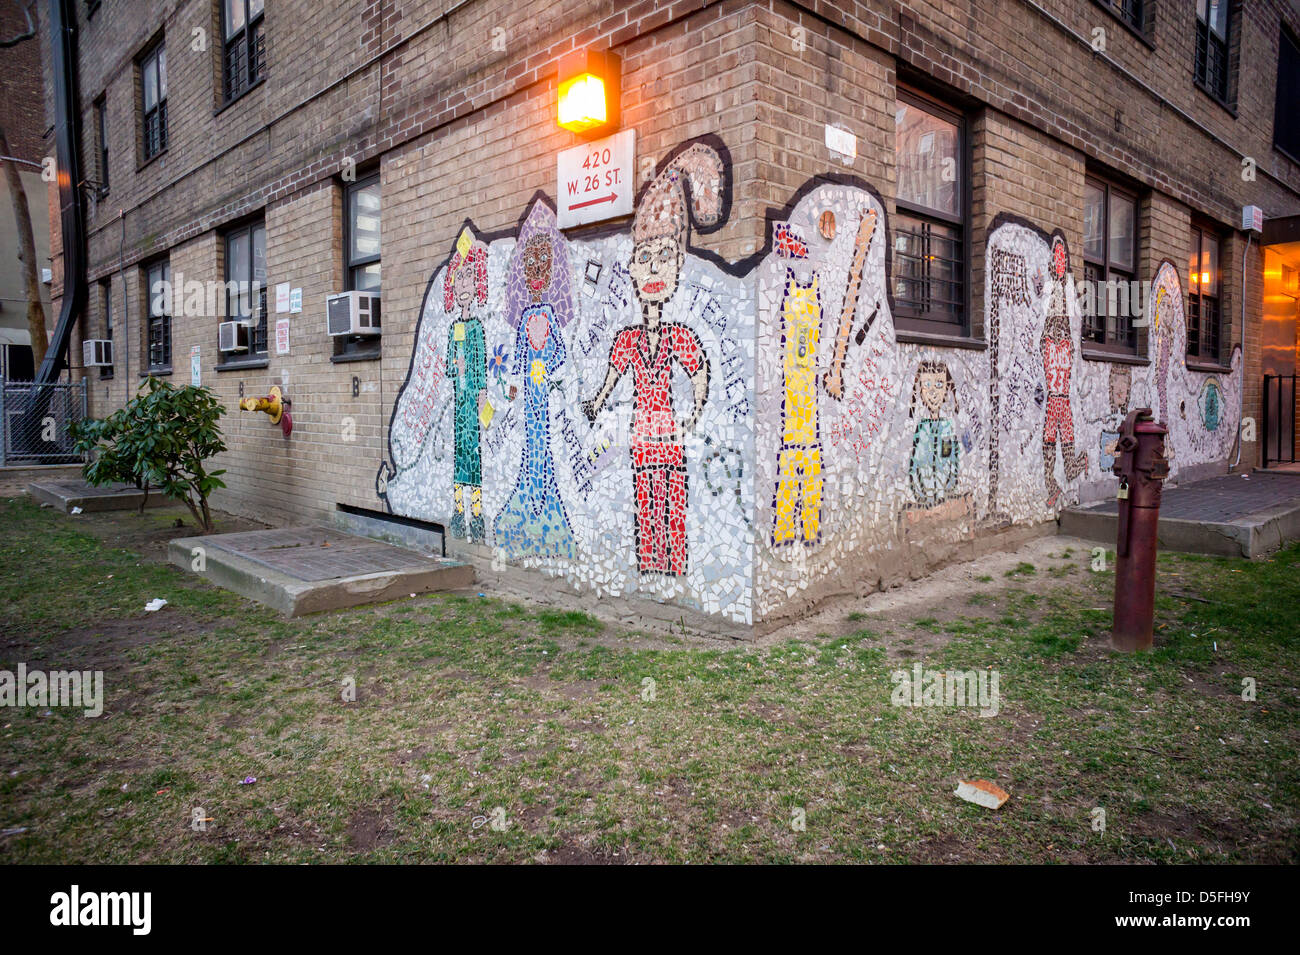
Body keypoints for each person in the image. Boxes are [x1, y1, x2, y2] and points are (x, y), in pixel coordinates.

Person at [582, 143, 722, 576]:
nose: (655, 269)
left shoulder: (680, 336)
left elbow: (700, 375)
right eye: (645, 259)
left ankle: (673, 563)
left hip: (670, 433)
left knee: (672, 500)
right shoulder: (626, 340)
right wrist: (595, 403)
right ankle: (652, 563)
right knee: (647, 497)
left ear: (679, 266)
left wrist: (694, 416)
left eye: (664, 257)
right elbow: (608, 382)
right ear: (633, 269)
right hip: (642, 434)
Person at [494, 207, 576, 559]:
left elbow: (560, 353)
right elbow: (517, 356)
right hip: (529, 394)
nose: (536, 270)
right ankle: (530, 500)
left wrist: (550, 373)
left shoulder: (549, 316)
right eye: (531, 263)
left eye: (543, 262)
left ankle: (545, 504)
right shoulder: (527, 315)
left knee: (543, 444)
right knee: (532, 444)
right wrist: (514, 383)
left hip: (543, 393)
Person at [445, 231, 488, 542]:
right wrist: (456, 368)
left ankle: (477, 514)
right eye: (458, 279)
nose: (463, 285)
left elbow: (481, 367)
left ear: (477, 285)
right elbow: (450, 366)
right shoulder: (454, 328)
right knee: (461, 455)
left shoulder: (476, 328)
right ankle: (459, 514)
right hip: (460, 405)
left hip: (473, 403)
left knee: (473, 455)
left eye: (468, 278)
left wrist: (482, 397)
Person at [908, 359, 960, 506]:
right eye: (927, 385)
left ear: (946, 388)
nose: (933, 392)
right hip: (926, 499)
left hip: (943, 499)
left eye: (939, 385)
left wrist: (948, 491)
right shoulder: (922, 429)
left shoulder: (946, 428)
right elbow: (915, 464)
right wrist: (921, 495)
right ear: (920, 389)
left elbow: (951, 460)